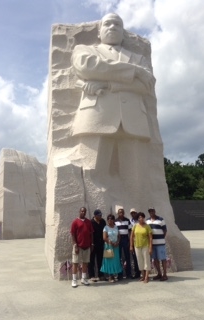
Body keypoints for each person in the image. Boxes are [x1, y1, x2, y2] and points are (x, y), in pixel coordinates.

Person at [70, 13, 156, 201]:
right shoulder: (85, 50)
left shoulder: (138, 58)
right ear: (99, 32)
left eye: (117, 24)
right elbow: (88, 67)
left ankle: (135, 219)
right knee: (91, 173)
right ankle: (97, 221)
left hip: (134, 121)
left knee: (136, 179)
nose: (112, 27)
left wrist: (108, 85)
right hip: (96, 118)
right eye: (107, 24)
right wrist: (134, 71)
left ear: (123, 33)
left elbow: (145, 86)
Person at [70, 207, 94, 288]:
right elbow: (73, 234)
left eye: (84, 211)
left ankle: (83, 279)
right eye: (82, 211)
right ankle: (74, 280)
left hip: (87, 246)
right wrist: (75, 245)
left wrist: (91, 244)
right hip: (78, 246)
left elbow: (91, 234)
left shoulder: (88, 222)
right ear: (79, 211)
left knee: (85, 262)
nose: (83, 212)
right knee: (75, 263)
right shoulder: (75, 222)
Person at [146, 207, 168, 281]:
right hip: (152, 244)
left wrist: (161, 238)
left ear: (155, 211)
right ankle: (159, 273)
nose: (151, 212)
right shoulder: (147, 221)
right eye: (150, 211)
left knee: (163, 259)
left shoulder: (161, 219)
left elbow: (165, 230)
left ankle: (165, 274)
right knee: (155, 260)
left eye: (152, 211)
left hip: (160, 243)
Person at [130, 212, 152, 283]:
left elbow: (150, 238)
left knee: (146, 261)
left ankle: (146, 277)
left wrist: (150, 247)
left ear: (144, 218)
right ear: (138, 219)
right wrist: (131, 246)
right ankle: (143, 275)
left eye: (142, 217)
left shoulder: (147, 226)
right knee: (140, 261)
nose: (141, 219)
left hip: (145, 246)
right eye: (139, 217)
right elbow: (132, 236)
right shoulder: (135, 226)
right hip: (137, 246)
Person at [100, 214, 122, 282]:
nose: (110, 220)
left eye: (111, 219)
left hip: (116, 247)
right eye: (108, 219)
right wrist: (112, 243)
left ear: (113, 220)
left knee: (115, 261)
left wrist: (117, 242)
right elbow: (104, 237)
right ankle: (110, 276)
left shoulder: (116, 227)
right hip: (108, 246)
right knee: (109, 261)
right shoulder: (105, 228)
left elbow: (119, 236)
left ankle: (115, 275)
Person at [88, 209, 106, 281]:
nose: (101, 216)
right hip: (93, 244)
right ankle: (91, 275)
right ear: (95, 216)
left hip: (101, 244)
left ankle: (100, 275)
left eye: (101, 215)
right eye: (99, 215)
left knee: (100, 260)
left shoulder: (103, 221)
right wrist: (91, 243)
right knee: (91, 260)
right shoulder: (91, 222)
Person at [115, 208, 132, 279]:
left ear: (124, 213)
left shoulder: (127, 220)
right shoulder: (115, 221)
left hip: (125, 239)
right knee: (118, 257)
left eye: (122, 212)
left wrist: (130, 242)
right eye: (119, 213)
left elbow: (130, 232)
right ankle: (120, 274)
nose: (121, 214)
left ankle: (129, 273)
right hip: (118, 240)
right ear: (118, 213)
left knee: (127, 257)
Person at [130, 209, 141, 278]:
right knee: (135, 258)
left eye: (134, 213)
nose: (133, 214)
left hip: (141, 241)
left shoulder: (140, 221)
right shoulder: (130, 221)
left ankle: (144, 272)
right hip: (134, 242)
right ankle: (137, 273)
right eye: (132, 213)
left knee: (141, 258)